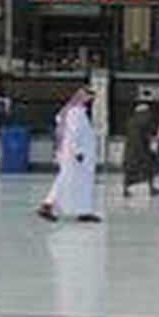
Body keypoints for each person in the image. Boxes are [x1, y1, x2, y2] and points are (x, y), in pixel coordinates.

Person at [37, 86, 100, 223]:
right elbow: (73, 133)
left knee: (78, 183)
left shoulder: (78, 112)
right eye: (89, 97)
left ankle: (83, 211)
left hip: (78, 155)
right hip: (76, 156)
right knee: (66, 181)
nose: (91, 100)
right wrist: (78, 152)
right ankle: (47, 206)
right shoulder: (75, 112)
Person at [122, 103, 159, 198]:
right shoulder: (137, 122)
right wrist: (143, 150)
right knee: (143, 169)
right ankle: (127, 189)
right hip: (137, 151)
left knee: (148, 168)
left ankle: (150, 188)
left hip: (136, 150)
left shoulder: (134, 121)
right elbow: (136, 138)